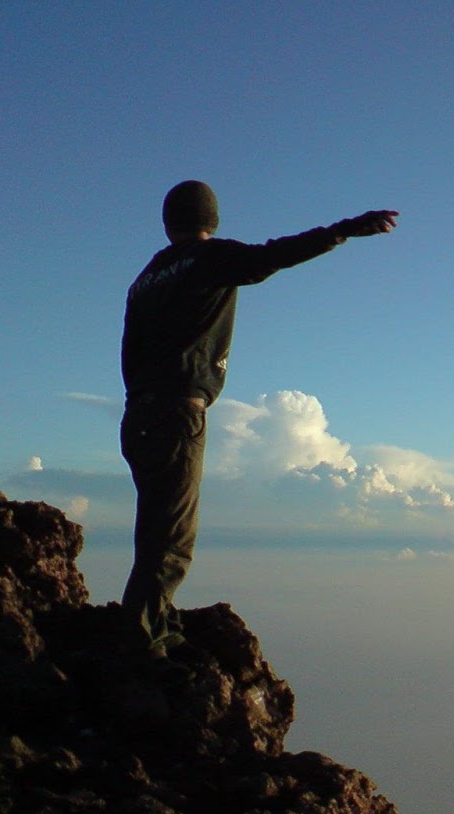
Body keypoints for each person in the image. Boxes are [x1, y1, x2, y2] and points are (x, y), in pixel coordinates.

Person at [120, 180, 398, 654]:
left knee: (153, 528)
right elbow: (274, 255)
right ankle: (144, 642)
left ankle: (154, 620)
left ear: (168, 223)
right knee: (172, 539)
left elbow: (130, 351)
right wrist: (341, 231)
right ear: (212, 220)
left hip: (139, 415)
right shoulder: (210, 258)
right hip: (176, 414)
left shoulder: (147, 278)